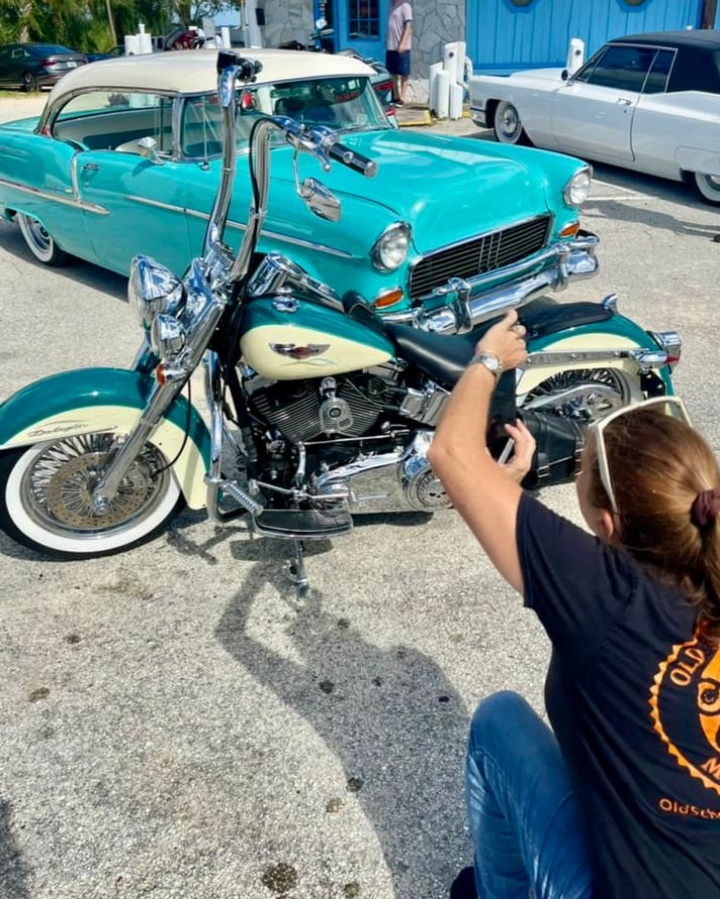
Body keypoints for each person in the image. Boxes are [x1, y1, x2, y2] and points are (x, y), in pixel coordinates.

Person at [428, 311, 720, 899]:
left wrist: (488, 359)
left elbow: (452, 454)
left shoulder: (608, 600)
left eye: (580, 476)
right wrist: (508, 495)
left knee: (498, 722)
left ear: (607, 525)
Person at [385, 0, 412, 105]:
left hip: (402, 46)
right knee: (392, 72)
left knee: (404, 73)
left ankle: (403, 97)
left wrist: (403, 43)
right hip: (391, 46)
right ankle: (396, 96)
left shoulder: (405, 6)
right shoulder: (391, 6)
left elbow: (408, 27)